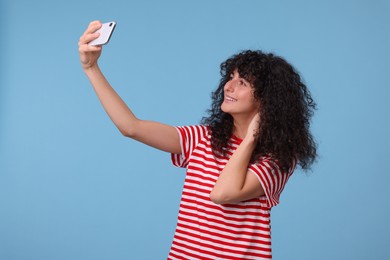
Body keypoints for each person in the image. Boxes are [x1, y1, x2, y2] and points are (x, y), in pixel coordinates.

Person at [78, 21, 317, 260]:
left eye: (242, 82)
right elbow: (130, 127)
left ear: (268, 100)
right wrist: (91, 68)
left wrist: (252, 137)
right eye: (230, 77)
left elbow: (223, 193)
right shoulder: (202, 138)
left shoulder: (277, 159)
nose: (229, 86)